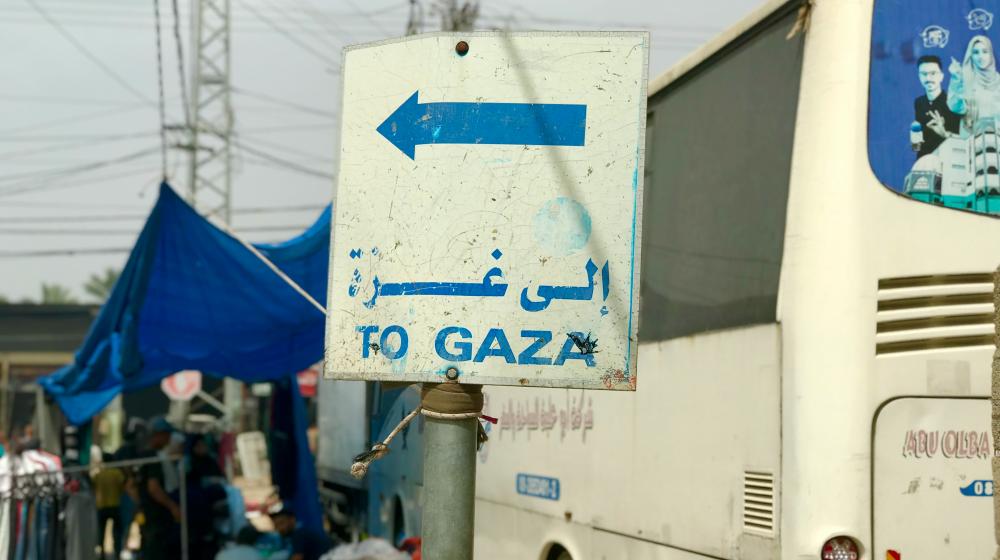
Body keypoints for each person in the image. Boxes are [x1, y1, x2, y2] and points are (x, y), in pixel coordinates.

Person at [137, 418, 182, 560]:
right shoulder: (153, 457)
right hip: (157, 517)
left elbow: (131, 485)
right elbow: (153, 487)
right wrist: (173, 506)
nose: (169, 439)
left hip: (147, 514)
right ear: (159, 434)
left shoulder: (141, 455)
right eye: (167, 435)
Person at [912, 55, 961, 157]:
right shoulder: (919, 102)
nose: (928, 78)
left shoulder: (953, 103)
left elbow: (963, 141)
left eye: (933, 73)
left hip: (947, 159)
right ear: (919, 77)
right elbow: (917, 143)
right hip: (923, 160)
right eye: (924, 74)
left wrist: (943, 132)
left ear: (941, 76)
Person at [948, 35, 1000, 132]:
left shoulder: (998, 81)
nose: (981, 57)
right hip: (971, 139)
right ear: (970, 55)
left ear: (991, 54)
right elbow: (955, 107)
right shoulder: (965, 79)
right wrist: (956, 79)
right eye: (976, 52)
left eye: (985, 52)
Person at [269, 505, 334, 560]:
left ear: (292, 519)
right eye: (276, 525)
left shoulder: (299, 534)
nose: (280, 528)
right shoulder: (300, 532)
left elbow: (297, 558)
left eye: (281, 523)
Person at [93, 455, 126, 558]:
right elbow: (123, 485)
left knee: (101, 532)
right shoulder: (117, 473)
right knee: (116, 532)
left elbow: (93, 485)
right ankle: (117, 553)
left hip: (102, 506)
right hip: (114, 505)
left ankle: (102, 554)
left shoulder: (99, 474)